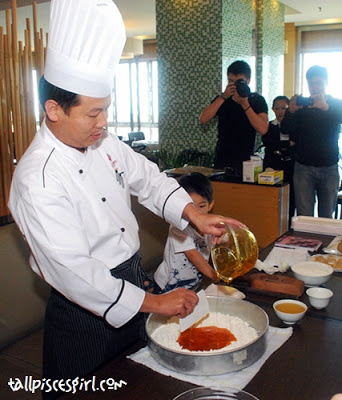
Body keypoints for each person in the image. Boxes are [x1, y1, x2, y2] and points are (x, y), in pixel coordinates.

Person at [8, 1, 243, 398]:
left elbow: (149, 179)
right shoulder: (38, 179)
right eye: (93, 114)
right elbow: (75, 272)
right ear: (54, 110)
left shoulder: (103, 142)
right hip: (85, 313)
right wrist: (155, 301)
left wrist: (194, 217)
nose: (104, 123)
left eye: (106, 110)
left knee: (136, 387)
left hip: (134, 283)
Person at [281, 65, 342, 218]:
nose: (315, 87)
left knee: (326, 217)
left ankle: (327, 243)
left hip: (329, 168)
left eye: (319, 83)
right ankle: (306, 243)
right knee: (304, 216)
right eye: (311, 83)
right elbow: (285, 129)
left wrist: (325, 107)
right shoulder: (302, 105)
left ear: (326, 83)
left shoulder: (335, 104)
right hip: (304, 168)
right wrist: (291, 112)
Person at [154, 172, 220, 291]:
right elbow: (194, 256)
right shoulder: (178, 227)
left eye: (201, 206)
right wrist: (214, 275)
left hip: (192, 283)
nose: (197, 213)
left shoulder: (209, 226)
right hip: (169, 285)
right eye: (190, 207)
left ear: (210, 205)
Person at [200, 60, 268, 171]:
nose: (234, 86)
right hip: (222, 160)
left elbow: (263, 129)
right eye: (231, 81)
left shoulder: (256, 100)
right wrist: (223, 97)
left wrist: (244, 103)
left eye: (239, 82)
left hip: (246, 162)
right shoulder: (223, 99)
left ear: (248, 81)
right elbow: (203, 119)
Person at [262, 95, 296, 224]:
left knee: (291, 198)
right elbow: (269, 143)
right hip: (273, 164)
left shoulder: (293, 126)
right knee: (272, 197)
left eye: (284, 108)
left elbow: (297, 143)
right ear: (273, 109)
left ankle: (289, 225)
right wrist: (287, 144)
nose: (280, 111)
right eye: (277, 108)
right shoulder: (269, 126)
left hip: (290, 165)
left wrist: (283, 146)